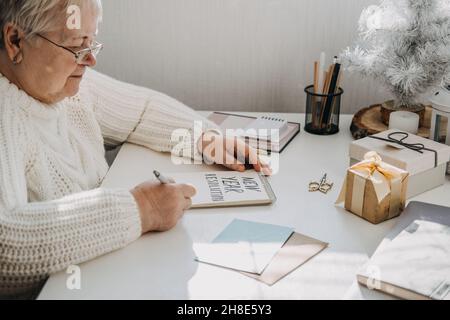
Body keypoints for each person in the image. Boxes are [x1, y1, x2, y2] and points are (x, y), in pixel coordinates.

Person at [0, 0, 269, 298]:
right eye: (77, 46)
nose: (90, 60)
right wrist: (142, 209)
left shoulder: (62, 88)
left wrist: (205, 138)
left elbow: (141, 111)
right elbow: (4, 247)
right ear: (15, 41)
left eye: (91, 42)